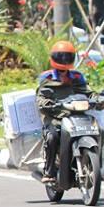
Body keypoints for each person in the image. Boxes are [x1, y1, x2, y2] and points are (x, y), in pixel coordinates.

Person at [36, 41, 91, 183]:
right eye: (60, 56)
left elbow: (87, 91)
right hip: (54, 116)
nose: (63, 60)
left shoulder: (78, 76)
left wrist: (98, 99)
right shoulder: (46, 77)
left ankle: (94, 164)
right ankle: (49, 171)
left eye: (67, 57)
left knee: (97, 129)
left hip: (75, 114)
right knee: (52, 137)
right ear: (54, 58)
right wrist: (46, 104)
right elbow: (40, 96)